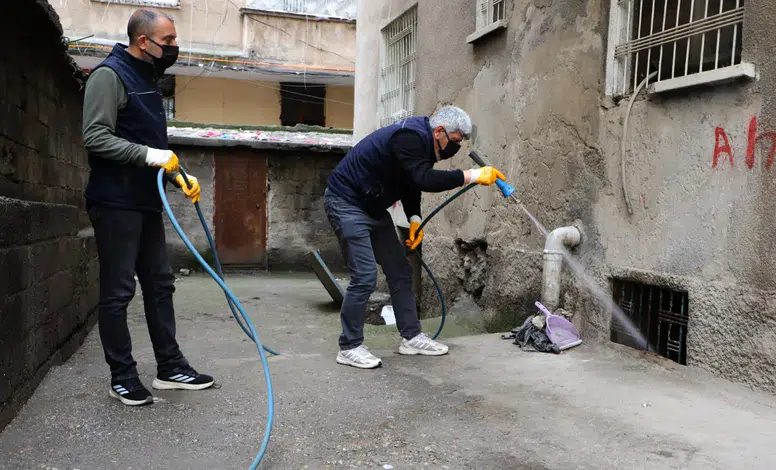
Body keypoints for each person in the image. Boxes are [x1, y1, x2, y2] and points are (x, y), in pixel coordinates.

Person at [81, 9, 214, 406]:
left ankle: (170, 368)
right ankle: (122, 376)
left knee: (160, 285)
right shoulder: (109, 76)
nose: (174, 47)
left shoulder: (149, 78)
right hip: (114, 202)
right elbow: (95, 137)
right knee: (119, 292)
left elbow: (152, 145)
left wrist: (179, 175)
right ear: (143, 41)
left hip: (145, 202)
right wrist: (150, 156)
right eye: (168, 40)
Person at [323, 106, 507, 369]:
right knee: (364, 276)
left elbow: (411, 186)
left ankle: (411, 338)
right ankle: (350, 346)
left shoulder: (424, 146)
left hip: (373, 207)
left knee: (400, 272)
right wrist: (473, 175)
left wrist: (414, 221)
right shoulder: (408, 137)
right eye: (455, 141)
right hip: (346, 202)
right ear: (440, 131)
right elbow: (425, 179)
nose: (455, 148)